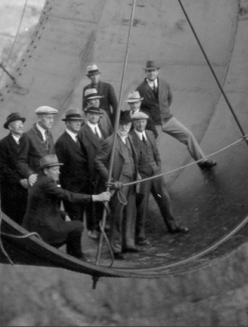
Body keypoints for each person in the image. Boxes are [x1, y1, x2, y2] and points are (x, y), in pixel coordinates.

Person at [22, 154, 111, 261]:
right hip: (41, 228)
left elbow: (43, 205)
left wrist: (64, 214)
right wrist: (96, 197)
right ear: (46, 170)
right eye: (55, 170)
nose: (58, 172)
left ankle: (71, 255)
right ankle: (75, 257)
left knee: (72, 225)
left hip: (36, 225)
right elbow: (68, 196)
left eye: (58, 169)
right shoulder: (46, 182)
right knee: (78, 226)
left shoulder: (40, 179)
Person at [136, 60, 217, 169]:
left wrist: (164, 111)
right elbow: (140, 109)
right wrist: (149, 121)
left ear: (157, 71)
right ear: (146, 72)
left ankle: (203, 161)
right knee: (149, 147)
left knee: (188, 135)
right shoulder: (140, 89)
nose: (151, 73)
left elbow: (169, 99)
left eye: (153, 71)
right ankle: (149, 172)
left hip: (168, 119)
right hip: (154, 124)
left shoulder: (164, 84)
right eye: (149, 71)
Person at [129, 111, 188, 245]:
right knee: (142, 206)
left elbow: (156, 153)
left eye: (143, 122)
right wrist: (137, 175)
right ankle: (140, 235)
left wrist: (158, 168)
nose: (141, 124)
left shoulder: (150, 134)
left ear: (146, 122)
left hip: (156, 176)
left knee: (163, 199)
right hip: (143, 178)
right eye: (138, 122)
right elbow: (130, 160)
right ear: (134, 123)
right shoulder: (130, 138)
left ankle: (172, 226)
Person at [95, 110, 139, 259]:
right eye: (121, 124)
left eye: (127, 124)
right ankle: (116, 248)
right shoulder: (110, 141)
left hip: (132, 182)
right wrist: (111, 180)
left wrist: (137, 174)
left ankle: (129, 244)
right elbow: (98, 161)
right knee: (117, 216)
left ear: (130, 125)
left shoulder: (130, 138)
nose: (124, 127)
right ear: (116, 125)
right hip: (119, 183)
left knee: (130, 214)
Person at [54, 108, 90, 230]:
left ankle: (76, 243)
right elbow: (58, 169)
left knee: (80, 221)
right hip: (71, 191)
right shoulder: (62, 142)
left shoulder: (79, 138)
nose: (78, 123)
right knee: (75, 222)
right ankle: (73, 244)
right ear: (67, 123)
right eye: (75, 121)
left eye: (79, 121)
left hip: (83, 189)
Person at [0, 112, 30, 222]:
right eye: (17, 123)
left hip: (26, 187)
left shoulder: (27, 141)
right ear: (10, 127)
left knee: (25, 217)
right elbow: (2, 168)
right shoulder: (2, 144)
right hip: (10, 189)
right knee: (11, 218)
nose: (21, 126)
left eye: (21, 123)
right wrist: (19, 180)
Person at [79, 105, 106, 239]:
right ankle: (92, 228)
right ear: (86, 115)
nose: (93, 116)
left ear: (100, 116)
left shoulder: (102, 130)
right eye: (90, 114)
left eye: (96, 114)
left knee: (102, 199)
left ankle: (100, 224)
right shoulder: (82, 132)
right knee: (91, 202)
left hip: (102, 171)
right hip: (90, 172)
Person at [17, 106, 57, 187]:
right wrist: (30, 175)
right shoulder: (27, 136)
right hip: (36, 183)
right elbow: (20, 162)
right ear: (39, 118)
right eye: (49, 118)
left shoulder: (49, 135)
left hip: (50, 182)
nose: (52, 121)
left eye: (52, 118)